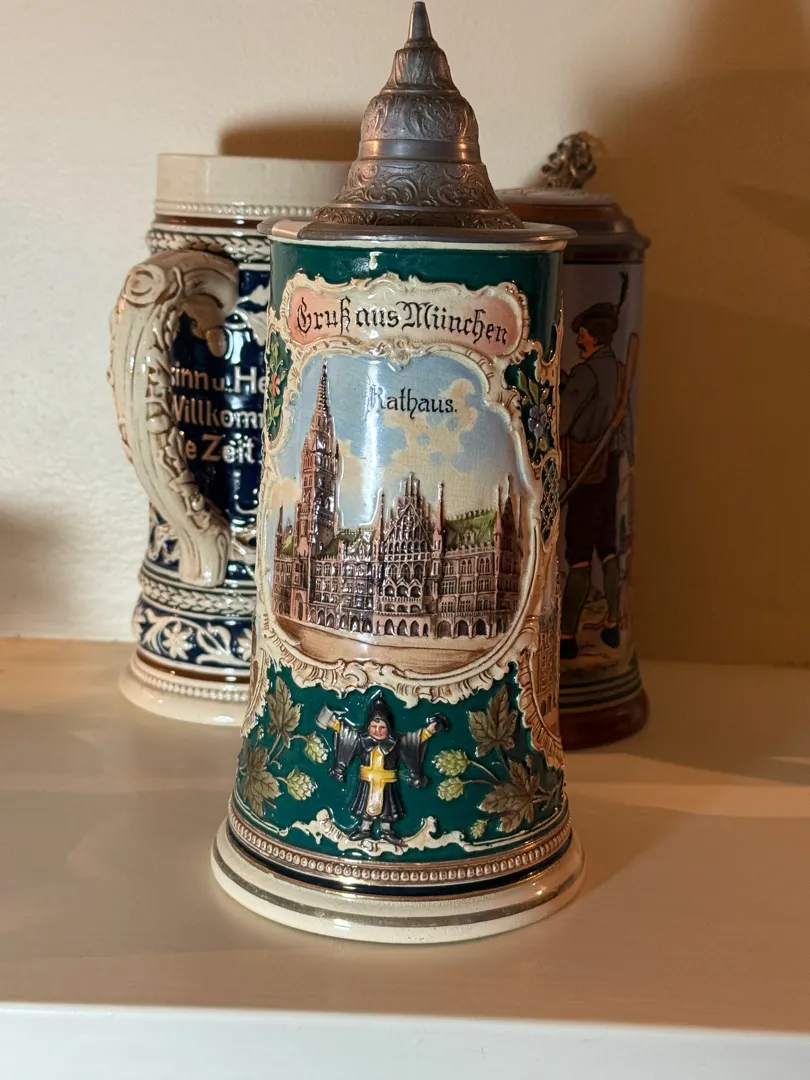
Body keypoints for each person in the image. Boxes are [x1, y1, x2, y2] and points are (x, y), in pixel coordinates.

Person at [559, 273, 634, 661]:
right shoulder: (620, 371)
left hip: (587, 470)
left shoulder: (585, 373)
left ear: (592, 336)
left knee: (579, 552)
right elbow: (627, 426)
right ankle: (612, 623)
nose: (578, 339)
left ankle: (567, 636)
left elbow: (562, 422)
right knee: (609, 547)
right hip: (614, 467)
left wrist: (559, 388)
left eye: (582, 333)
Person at [316, 693, 449, 843]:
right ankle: (364, 829)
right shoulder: (361, 740)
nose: (377, 730)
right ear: (368, 726)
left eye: (382, 727)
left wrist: (429, 731)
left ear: (389, 728)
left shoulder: (396, 743)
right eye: (374, 726)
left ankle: (386, 831)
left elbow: (412, 741)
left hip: (387, 783)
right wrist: (334, 724)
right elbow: (348, 735)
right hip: (367, 781)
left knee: (387, 808)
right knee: (366, 807)